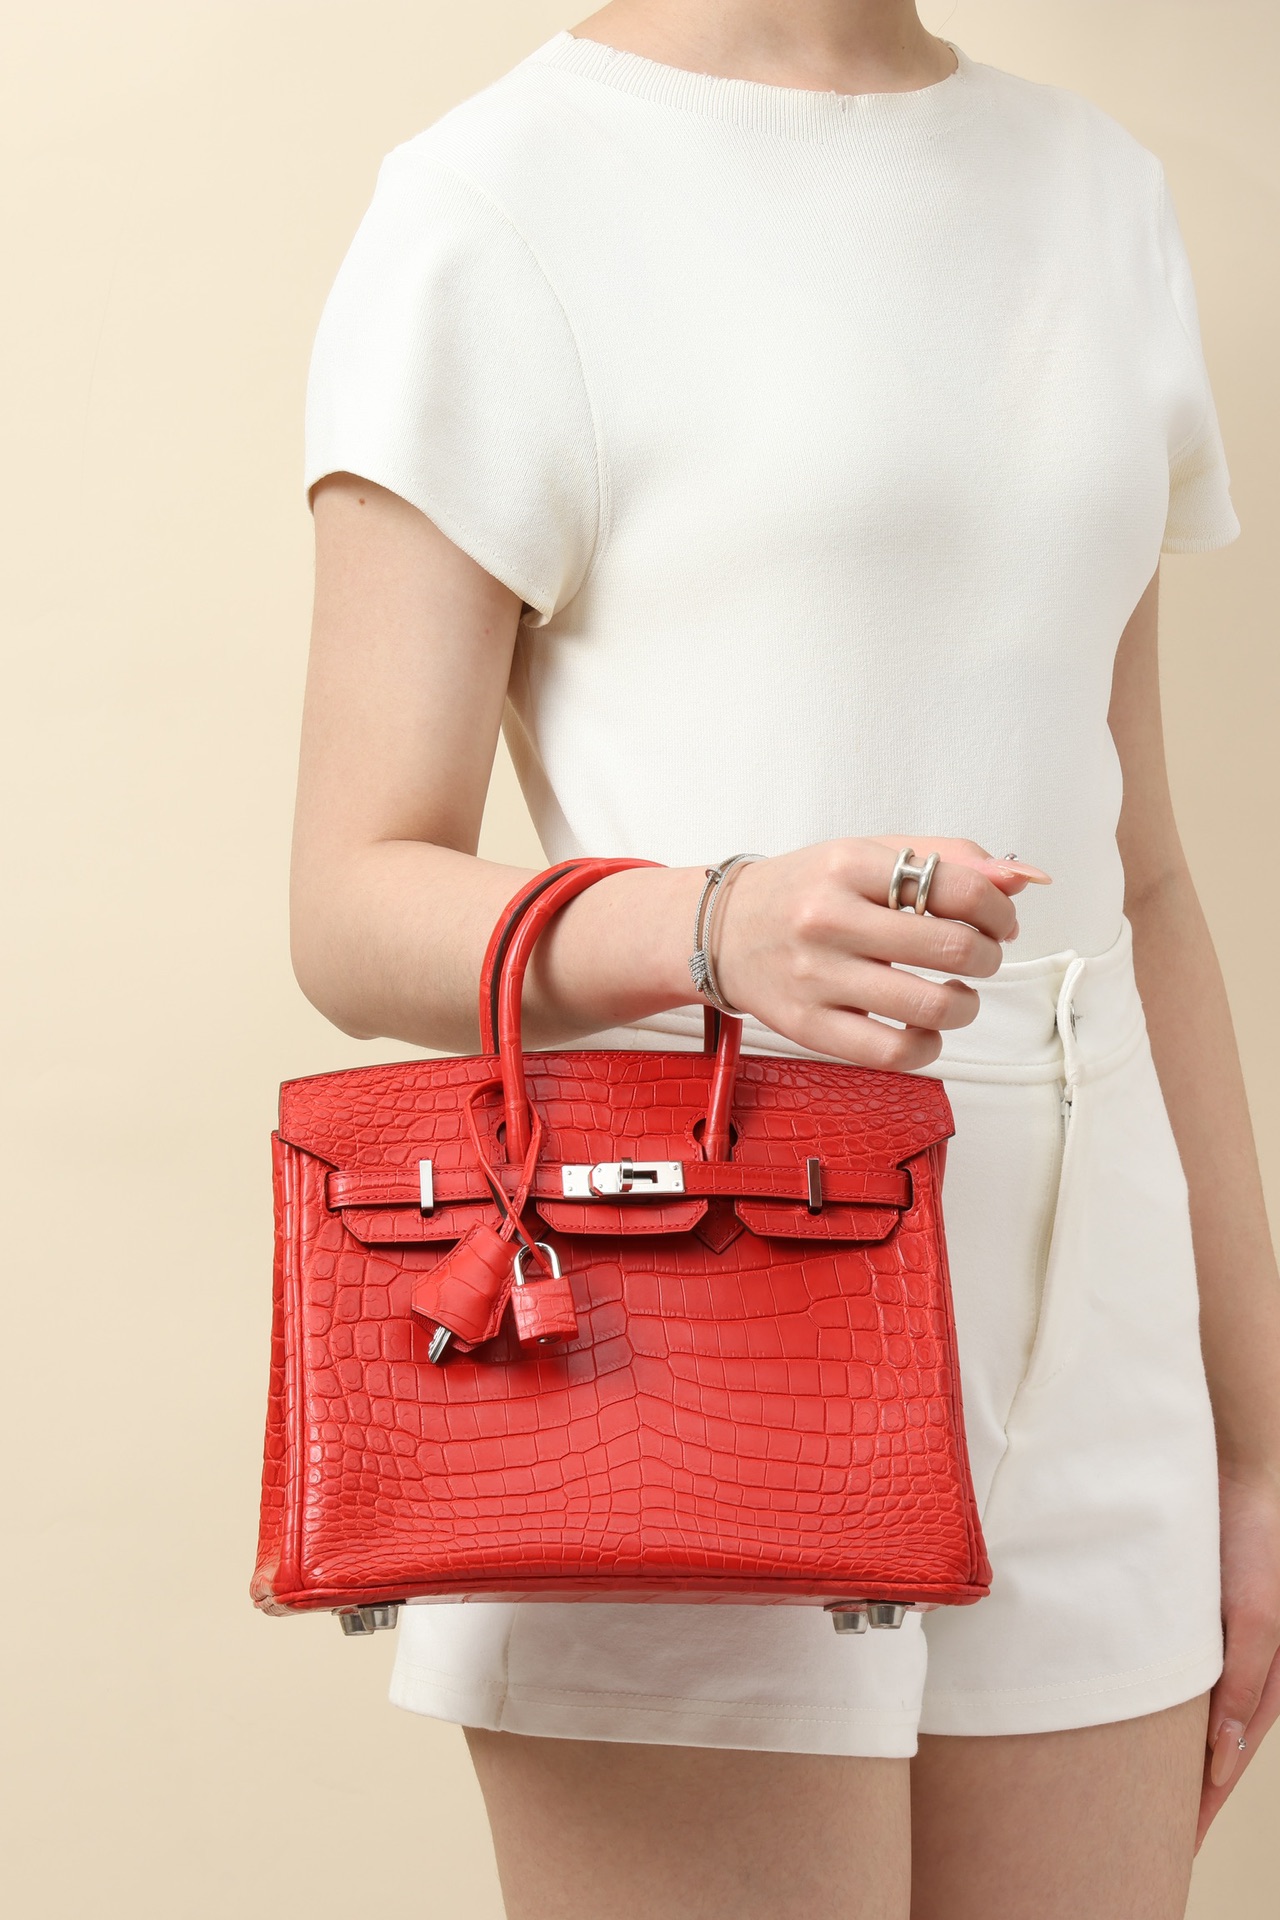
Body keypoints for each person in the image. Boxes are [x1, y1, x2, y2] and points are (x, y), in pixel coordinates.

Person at [288, 3, 1280, 1914]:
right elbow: (347, 896)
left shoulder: (1093, 188)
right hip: (699, 1300)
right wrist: (713, 921)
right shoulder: (499, 200)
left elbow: (1141, 881)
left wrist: (1254, 1450)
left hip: (1101, 1326)